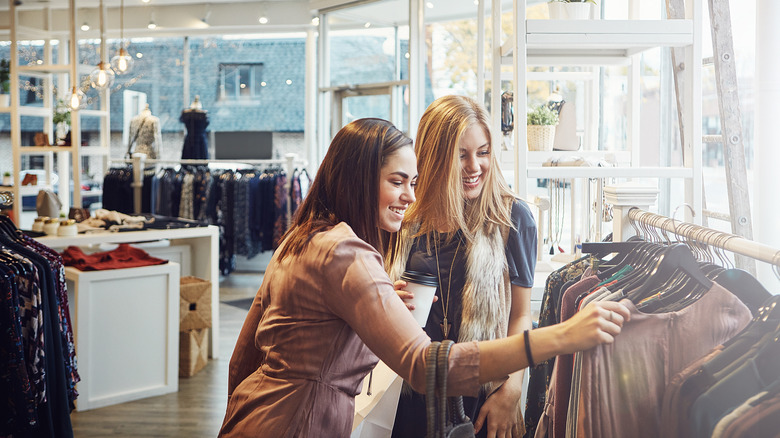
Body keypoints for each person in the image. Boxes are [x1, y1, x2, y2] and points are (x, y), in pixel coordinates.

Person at [219, 118, 630, 437]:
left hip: (256, 414)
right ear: (359, 181)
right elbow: (424, 364)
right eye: (397, 182)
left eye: (412, 182)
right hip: (300, 423)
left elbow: (245, 356)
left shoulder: (304, 238)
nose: (410, 196)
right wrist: (562, 336)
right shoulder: (348, 252)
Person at [387, 94, 535, 438]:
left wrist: (511, 390)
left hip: (483, 399)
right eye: (461, 155)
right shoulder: (405, 220)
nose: (475, 166)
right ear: (434, 157)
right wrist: (386, 297)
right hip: (408, 397)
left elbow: (521, 316)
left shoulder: (511, 219)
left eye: (483, 152)